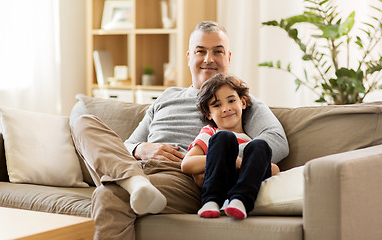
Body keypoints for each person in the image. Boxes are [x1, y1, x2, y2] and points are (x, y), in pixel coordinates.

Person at [71, 21, 289, 240]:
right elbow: (125, 145)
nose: (208, 59)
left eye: (217, 52)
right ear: (188, 57)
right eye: (200, 51)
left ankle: (132, 184)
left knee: (109, 195)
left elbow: (276, 141)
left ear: (228, 58)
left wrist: (218, 160)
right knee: (83, 122)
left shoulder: (235, 102)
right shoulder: (167, 97)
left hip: (180, 176)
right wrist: (140, 149)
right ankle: (134, 182)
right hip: (137, 167)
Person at [181, 73, 280, 219]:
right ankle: (211, 201)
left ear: (243, 103)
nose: (226, 108)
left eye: (231, 101)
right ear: (209, 114)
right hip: (219, 181)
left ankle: (240, 201)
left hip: (244, 186)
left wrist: (250, 164)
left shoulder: (250, 141)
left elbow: (275, 170)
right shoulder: (211, 132)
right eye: (217, 105)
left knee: (261, 145)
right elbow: (187, 164)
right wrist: (235, 161)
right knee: (224, 137)